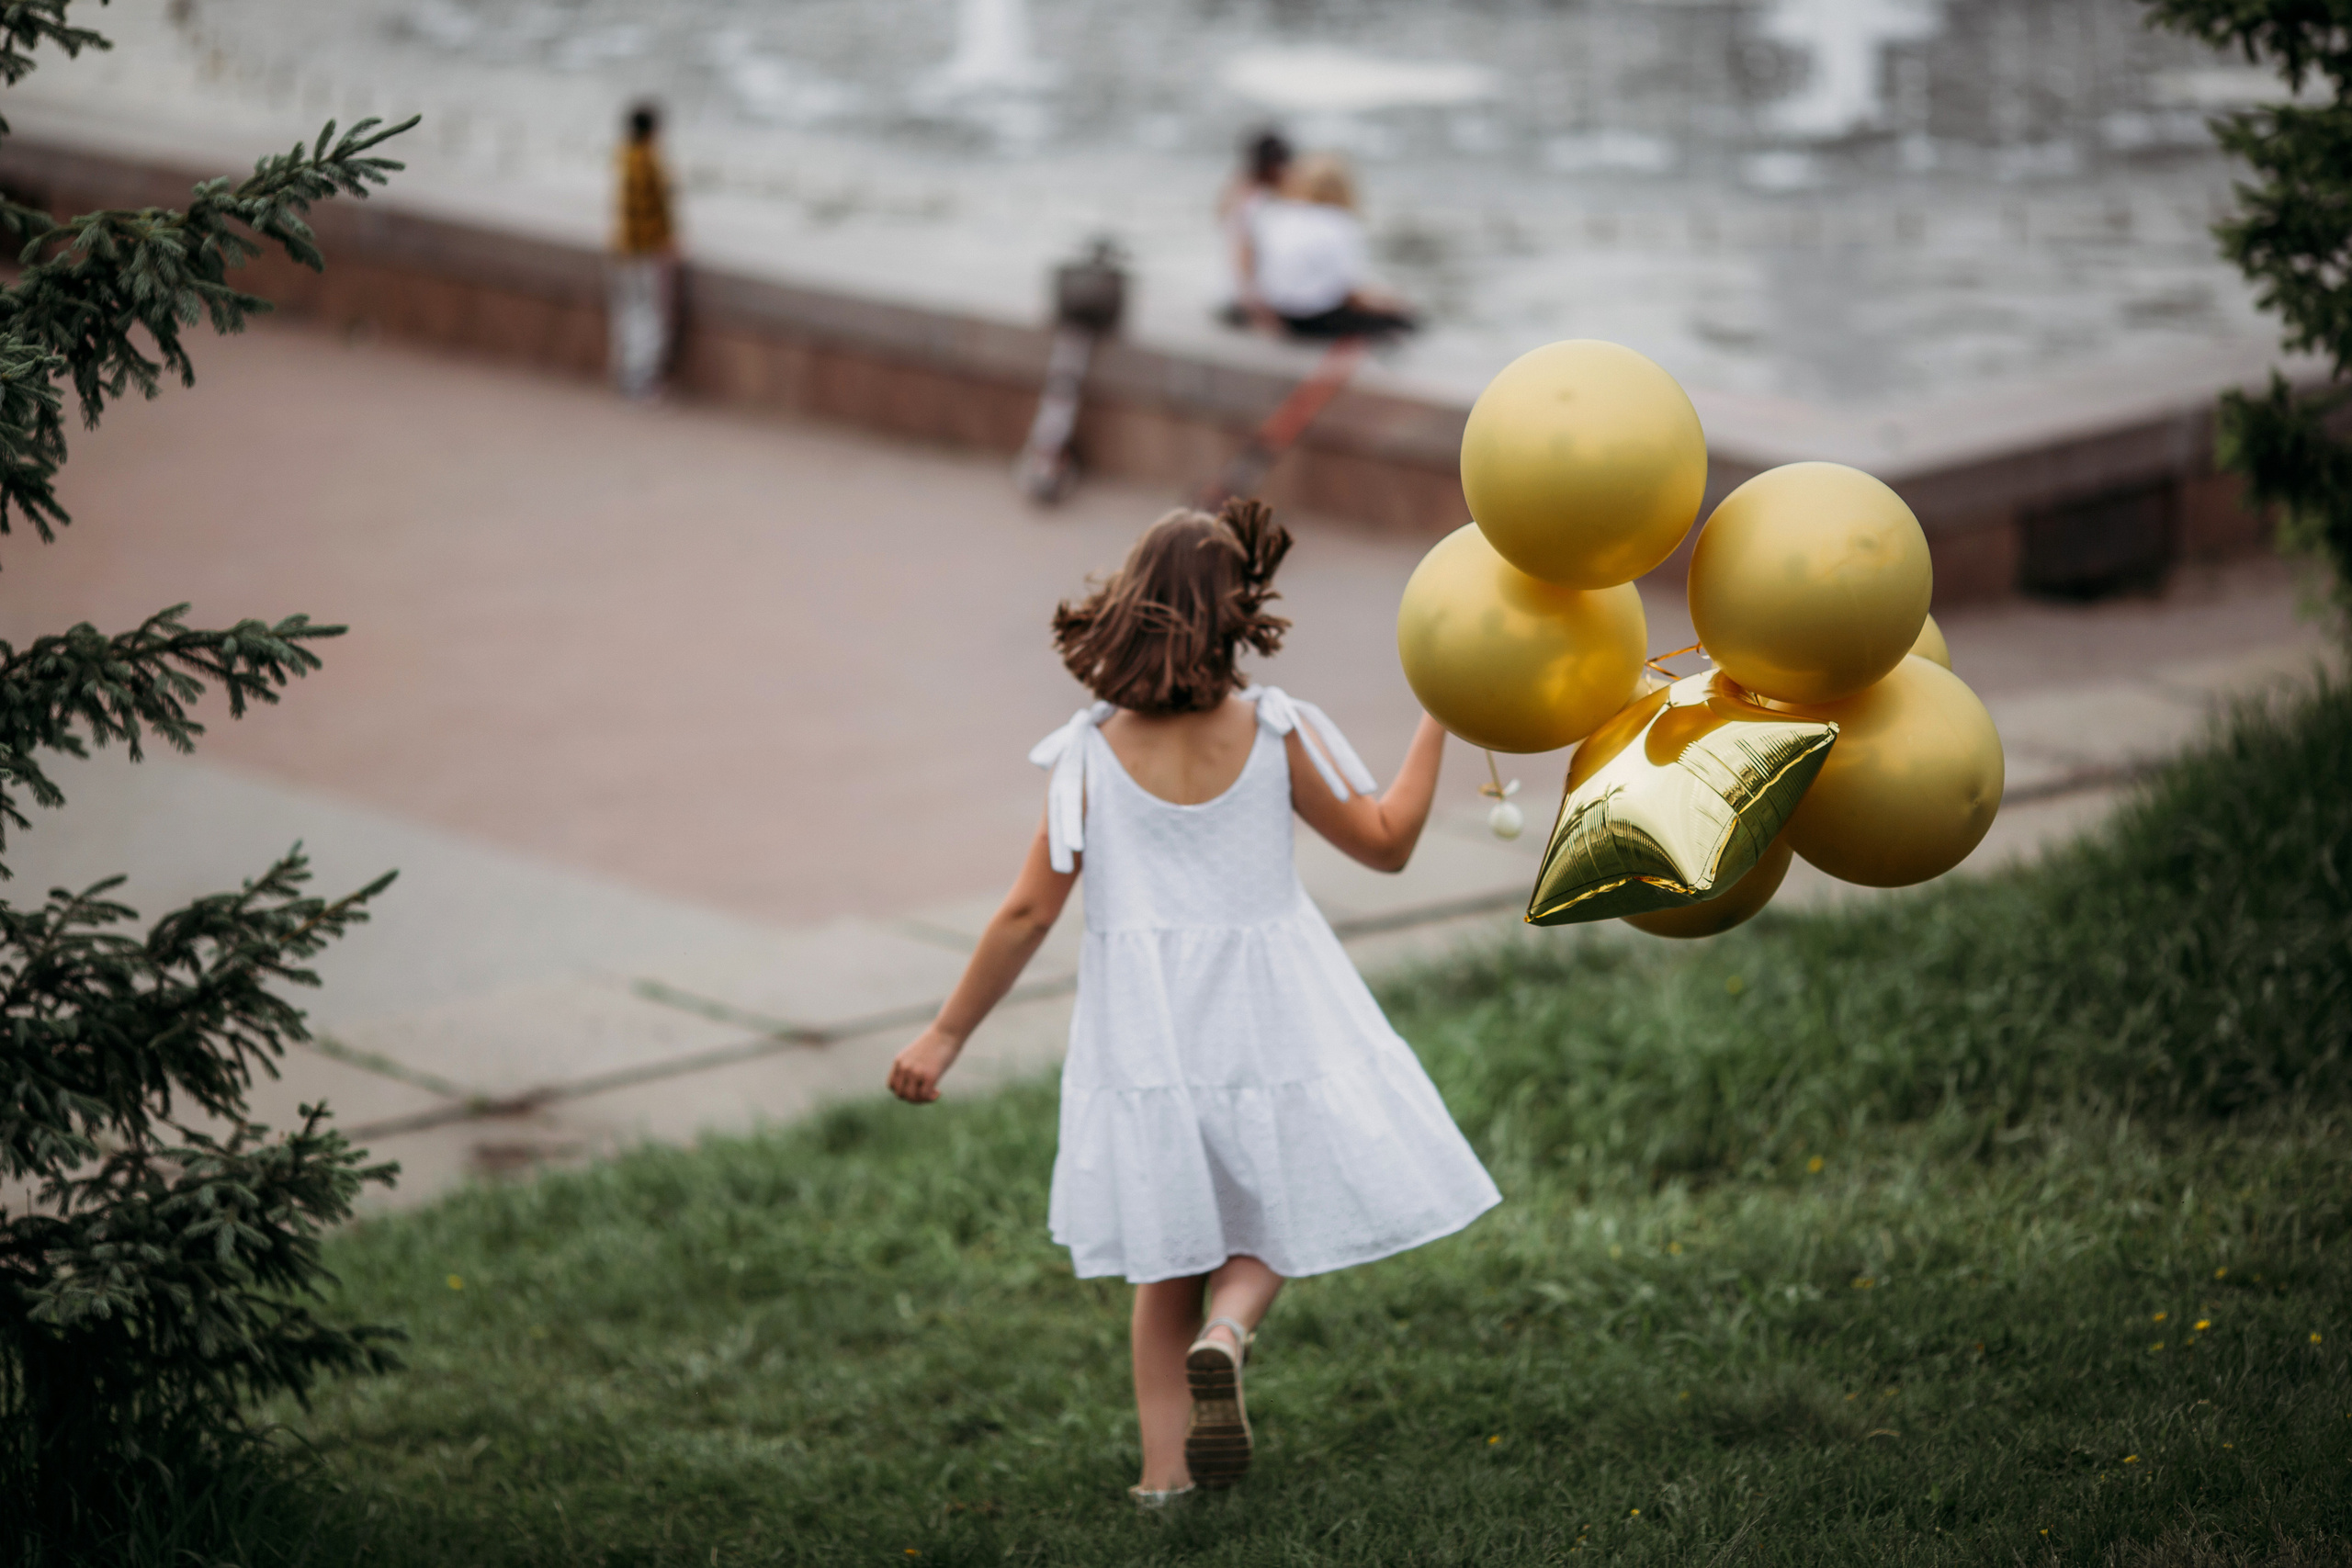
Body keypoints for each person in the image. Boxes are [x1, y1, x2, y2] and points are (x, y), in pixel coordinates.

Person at [887, 501, 1499, 1506]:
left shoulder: (1088, 754)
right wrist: (1440, 716)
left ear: (1128, 607)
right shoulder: (1274, 730)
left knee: (1167, 1255)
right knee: (1274, 1209)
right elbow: (1387, 843)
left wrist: (946, 1033)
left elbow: (1027, 913)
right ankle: (1230, 1329)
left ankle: (1163, 1480)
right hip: (1271, 1010)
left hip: (1147, 1030)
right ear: (1237, 616)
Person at [1244, 152, 1417, 340]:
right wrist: (1393, 303)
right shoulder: (1339, 222)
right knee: (1405, 321)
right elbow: (1351, 293)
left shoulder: (1281, 214)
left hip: (1280, 312)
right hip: (1314, 319)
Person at [609, 100, 678, 401]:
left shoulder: (624, 156)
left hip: (625, 247)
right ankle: (640, 382)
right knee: (647, 318)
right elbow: (654, 210)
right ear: (653, 130)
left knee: (627, 315)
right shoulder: (649, 161)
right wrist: (665, 242)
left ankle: (626, 377)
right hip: (645, 250)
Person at [1215, 128, 1291, 328]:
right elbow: (1243, 251)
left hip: (1227, 294)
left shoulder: (1237, 191)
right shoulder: (1258, 201)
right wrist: (1254, 303)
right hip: (1248, 300)